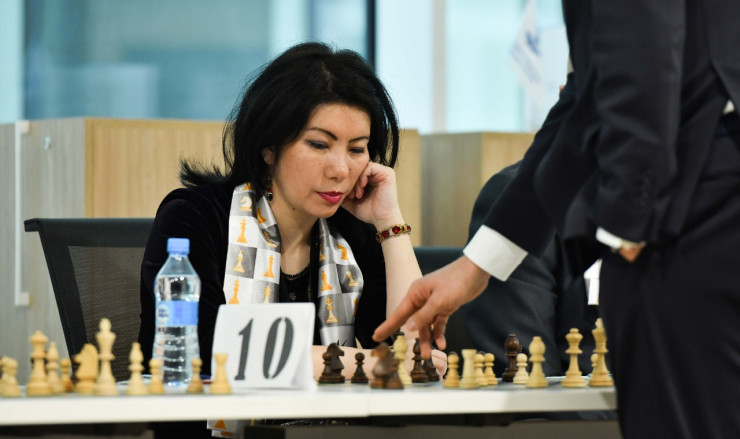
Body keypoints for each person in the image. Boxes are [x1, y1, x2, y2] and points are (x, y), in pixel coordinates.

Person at [375, 2, 740, 437]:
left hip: (696, 194)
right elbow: (589, 96)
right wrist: (477, 265)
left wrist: (628, 229)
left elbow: (637, 66)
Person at [138, 42, 446, 391]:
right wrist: (373, 364)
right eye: (319, 144)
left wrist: (389, 222)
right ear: (269, 146)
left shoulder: (353, 233)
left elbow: (414, 350)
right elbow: (209, 351)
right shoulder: (194, 217)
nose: (340, 169)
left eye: (357, 149)